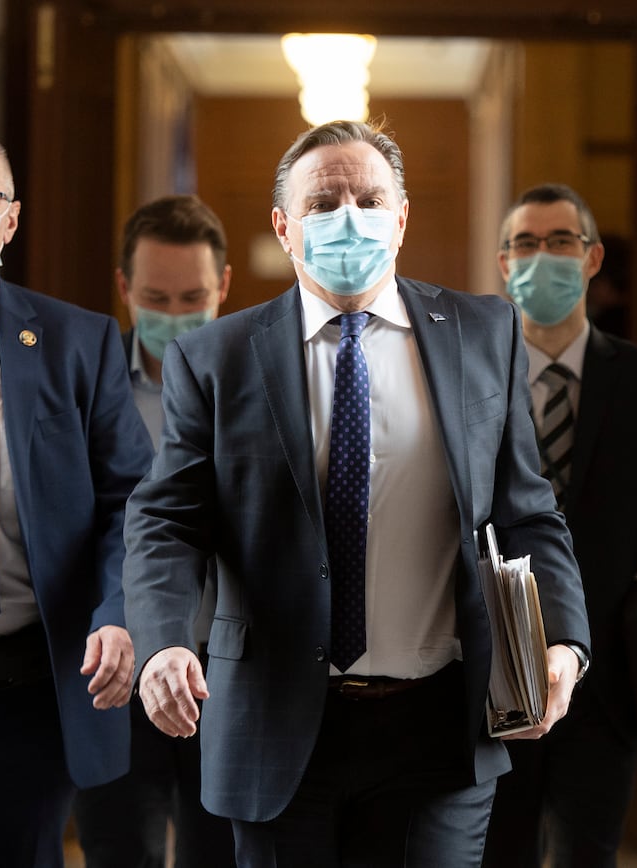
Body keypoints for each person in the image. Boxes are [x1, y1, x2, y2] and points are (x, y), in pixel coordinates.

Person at [121, 119, 590, 867]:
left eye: (370, 199)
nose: (349, 218)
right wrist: (162, 644)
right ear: (284, 227)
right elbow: (167, 521)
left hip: (438, 725)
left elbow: (527, 509)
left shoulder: (482, 333)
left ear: (402, 218)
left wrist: (561, 643)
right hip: (274, 725)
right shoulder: (216, 357)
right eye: (323, 203)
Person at [0, 123, 154, 867]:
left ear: (11, 218)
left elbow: (133, 498)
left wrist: (117, 614)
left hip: (28, 691)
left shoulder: (73, 340)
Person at [482, 183, 637, 868]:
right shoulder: (472, 377)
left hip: (607, 673)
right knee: (498, 852)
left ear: (593, 258)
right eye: (526, 244)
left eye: (560, 242)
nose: (542, 257)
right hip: (493, 669)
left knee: (589, 851)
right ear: (502, 262)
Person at [73, 194, 235, 868]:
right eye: (156, 297)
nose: (174, 316)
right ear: (125, 290)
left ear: (224, 286)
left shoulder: (256, 381)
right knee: (118, 850)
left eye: (193, 295)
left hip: (224, 671)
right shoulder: (86, 384)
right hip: (114, 672)